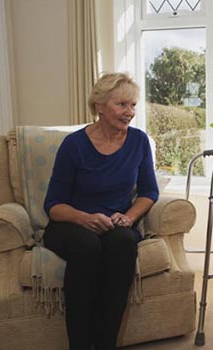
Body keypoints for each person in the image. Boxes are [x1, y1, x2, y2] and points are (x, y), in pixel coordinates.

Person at [43, 72, 158, 350]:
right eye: (122, 105)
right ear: (99, 107)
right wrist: (84, 217)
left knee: (123, 243)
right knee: (87, 248)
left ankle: (105, 342)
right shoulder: (74, 145)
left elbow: (149, 192)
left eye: (133, 105)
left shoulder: (139, 141)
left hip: (114, 223)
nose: (129, 112)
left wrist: (129, 216)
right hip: (70, 223)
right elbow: (53, 205)